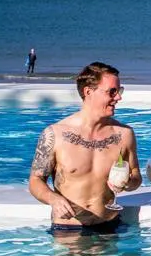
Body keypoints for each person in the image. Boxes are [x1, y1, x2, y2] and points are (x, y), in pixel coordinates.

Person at [28, 61, 141, 234]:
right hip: (68, 228)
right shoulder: (55, 134)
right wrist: (53, 199)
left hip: (109, 226)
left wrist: (127, 182)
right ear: (88, 92)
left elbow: (136, 178)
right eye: (112, 91)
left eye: (119, 91)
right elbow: (35, 181)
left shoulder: (124, 134)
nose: (118, 97)